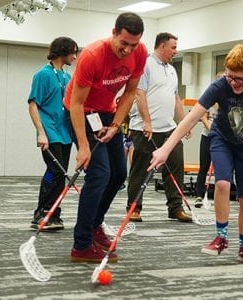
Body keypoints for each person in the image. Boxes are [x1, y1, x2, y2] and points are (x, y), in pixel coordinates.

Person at [150, 43, 243, 265]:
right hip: (222, 140)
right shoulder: (220, 85)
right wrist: (165, 148)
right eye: (230, 76)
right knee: (222, 184)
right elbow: (191, 118)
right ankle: (221, 237)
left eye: (238, 79)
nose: (232, 82)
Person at [65, 12, 149, 264]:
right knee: (99, 173)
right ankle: (81, 244)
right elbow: (76, 104)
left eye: (133, 45)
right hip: (80, 112)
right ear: (114, 33)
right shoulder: (92, 56)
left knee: (119, 174)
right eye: (123, 43)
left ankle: (94, 225)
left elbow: (130, 92)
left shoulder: (140, 52)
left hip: (107, 113)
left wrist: (115, 125)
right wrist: (83, 146)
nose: (127, 50)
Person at [126, 32, 192, 223]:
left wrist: (183, 123)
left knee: (175, 166)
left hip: (169, 129)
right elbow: (139, 94)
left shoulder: (171, 70)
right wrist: (147, 121)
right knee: (141, 170)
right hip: (144, 128)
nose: (175, 51)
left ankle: (175, 208)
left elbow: (175, 98)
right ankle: (134, 208)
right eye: (173, 47)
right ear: (162, 46)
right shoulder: (145, 65)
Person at [28, 36, 78, 230]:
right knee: (54, 171)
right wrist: (41, 132)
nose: (75, 57)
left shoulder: (67, 77)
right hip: (49, 131)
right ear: (63, 51)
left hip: (65, 132)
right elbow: (33, 105)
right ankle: (42, 213)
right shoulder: (42, 74)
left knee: (60, 173)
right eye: (73, 52)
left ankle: (54, 213)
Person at [193, 103, 217, 208]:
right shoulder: (210, 101)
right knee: (203, 166)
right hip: (207, 137)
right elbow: (203, 118)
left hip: (221, 139)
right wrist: (214, 131)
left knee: (221, 168)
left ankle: (219, 196)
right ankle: (199, 196)